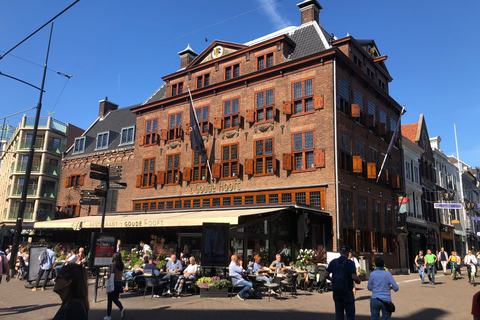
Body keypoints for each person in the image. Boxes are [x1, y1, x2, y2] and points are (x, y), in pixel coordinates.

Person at [325, 245, 361, 320]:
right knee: (350, 315)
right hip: (347, 291)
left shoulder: (333, 262)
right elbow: (354, 276)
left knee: (339, 314)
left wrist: (332, 279)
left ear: (340, 252)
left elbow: (325, 275)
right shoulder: (350, 263)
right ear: (348, 253)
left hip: (337, 291)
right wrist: (358, 281)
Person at [104, 253, 126, 320]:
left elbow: (109, 274)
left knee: (110, 299)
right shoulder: (121, 265)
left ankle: (108, 315)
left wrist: (107, 276)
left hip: (113, 283)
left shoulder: (112, 264)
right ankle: (121, 309)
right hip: (119, 283)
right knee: (115, 298)